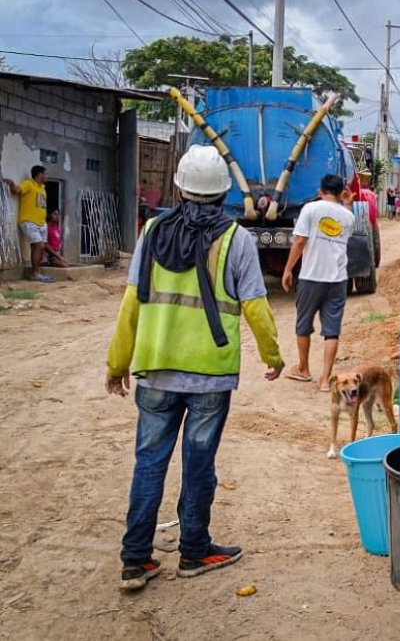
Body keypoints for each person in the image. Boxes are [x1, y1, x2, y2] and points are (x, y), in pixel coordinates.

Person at [104, 144, 284, 592]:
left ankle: (135, 561)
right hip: (209, 376)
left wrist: (117, 362)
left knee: (149, 464)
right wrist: (273, 357)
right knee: (199, 466)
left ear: (180, 187)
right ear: (223, 191)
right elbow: (256, 307)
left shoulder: (151, 232)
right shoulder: (235, 239)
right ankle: (194, 552)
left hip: (156, 369)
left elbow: (131, 304)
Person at [282, 174, 356, 392]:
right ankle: (325, 380)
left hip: (311, 277)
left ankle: (303, 369)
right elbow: (348, 231)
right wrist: (348, 203)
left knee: (303, 324)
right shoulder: (347, 215)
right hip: (338, 280)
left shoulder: (311, 209)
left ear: (320, 190)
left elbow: (300, 240)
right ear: (341, 191)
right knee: (331, 330)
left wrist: (288, 269)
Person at [3, 165, 53, 282]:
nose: (46, 176)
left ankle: (35, 273)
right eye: (45, 173)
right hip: (29, 222)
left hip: (41, 223)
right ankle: (36, 273)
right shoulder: (28, 184)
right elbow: (17, 190)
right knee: (40, 246)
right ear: (39, 174)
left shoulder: (42, 188)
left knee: (36, 247)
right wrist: (11, 184)